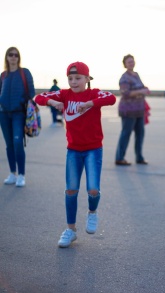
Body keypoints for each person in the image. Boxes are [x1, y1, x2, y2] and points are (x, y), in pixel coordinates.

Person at [35, 62, 116, 248]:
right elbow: (38, 96)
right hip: (73, 150)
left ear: (87, 79)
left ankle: (92, 212)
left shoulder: (94, 93)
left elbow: (111, 98)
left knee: (93, 189)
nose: (73, 82)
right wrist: (53, 102)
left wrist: (90, 103)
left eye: (78, 78)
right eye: (70, 78)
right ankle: (70, 230)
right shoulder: (64, 94)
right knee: (71, 190)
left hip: (93, 149)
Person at [0, 46, 35, 187]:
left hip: (18, 114)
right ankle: (12, 173)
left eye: (16, 55)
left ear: (18, 57)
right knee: (9, 145)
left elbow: (31, 91)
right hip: (3, 114)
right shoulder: (3, 75)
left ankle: (21, 175)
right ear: (7, 57)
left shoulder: (24, 73)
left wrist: (22, 103)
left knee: (17, 144)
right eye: (10, 55)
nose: (13, 57)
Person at [115, 54, 150, 166]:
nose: (131, 63)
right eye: (129, 62)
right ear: (125, 64)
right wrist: (141, 92)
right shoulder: (124, 78)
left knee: (140, 134)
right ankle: (119, 158)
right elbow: (125, 93)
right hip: (128, 111)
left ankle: (139, 157)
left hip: (139, 110)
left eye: (132, 61)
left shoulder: (136, 75)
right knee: (126, 133)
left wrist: (145, 89)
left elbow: (141, 87)